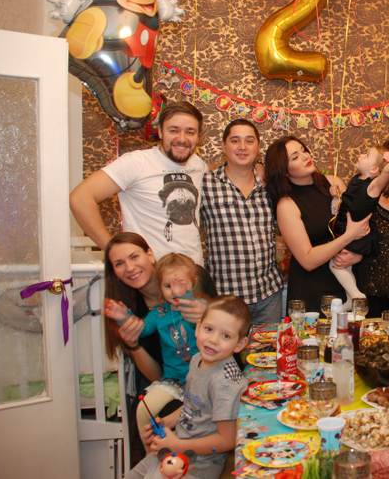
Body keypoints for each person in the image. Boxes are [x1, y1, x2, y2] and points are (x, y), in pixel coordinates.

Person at [127, 295, 251, 479]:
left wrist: (178, 445)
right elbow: (193, 404)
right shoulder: (196, 359)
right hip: (176, 447)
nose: (213, 340)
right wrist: (167, 422)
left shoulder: (225, 384)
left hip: (197, 465)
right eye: (209, 329)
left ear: (240, 344)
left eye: (226, 336)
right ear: (198, 327)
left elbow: (227, 441)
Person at [70, 101, 210, 264]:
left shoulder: (197, 165)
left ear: (198, 137)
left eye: (190, 132)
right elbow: (80, 198)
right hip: (150, 274)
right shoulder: (137, 162)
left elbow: (221, 170)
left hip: (193, 272)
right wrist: (114, 252)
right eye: (174, 130)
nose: (182, 139)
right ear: (160, 131)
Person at [105, 252, 211, 444]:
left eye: (180, 285)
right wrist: (124, 316)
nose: (174, 291)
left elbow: (209, 323)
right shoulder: (159, 313)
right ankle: (151, 454)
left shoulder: (200, 307)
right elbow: (141, 330)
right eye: (167, 286)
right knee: (144, 409)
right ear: (160, 287)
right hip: (173, 380)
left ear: (193, 283)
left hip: (203, 378)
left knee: (194, 413)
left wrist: (189, 299)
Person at [264, 136, 371, 312]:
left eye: (303, 150)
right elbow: (307, 260)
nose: (305, 156)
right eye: (295, 157)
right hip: (312, 289)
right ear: (284, 171)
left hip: (348, 283)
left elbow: (360, 222)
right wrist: (349, 236)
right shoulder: (286, 204)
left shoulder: (334, 183)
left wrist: (358, 254)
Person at [200, 119, 284, 324]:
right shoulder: (205, 184)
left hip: (269, 295)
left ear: (258, 147)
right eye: (235, 140)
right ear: (223, 146)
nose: (242, 147)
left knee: (270, 345)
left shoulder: (269, 185)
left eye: (249, 141)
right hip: (226, 297)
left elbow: (283, 227)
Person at [328, 137, 389, 308]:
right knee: (341, 267)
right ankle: (351, 298)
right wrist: (336, 198)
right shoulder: (360, 184)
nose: (361, 155)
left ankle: (354, 297)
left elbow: (388, 171)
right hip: (368, 284)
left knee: (335, 265)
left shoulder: (379, 189)